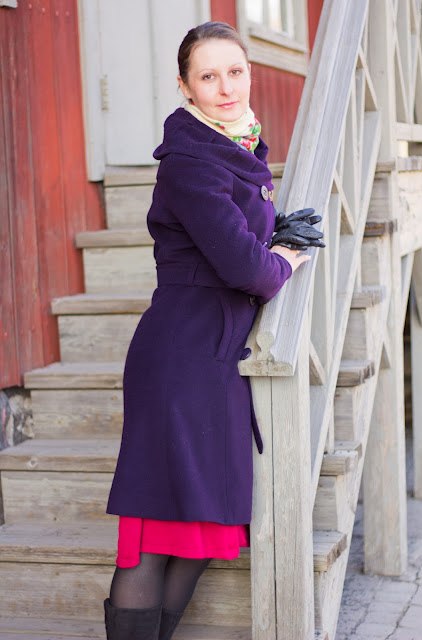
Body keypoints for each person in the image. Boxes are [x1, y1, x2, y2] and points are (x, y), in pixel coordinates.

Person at [103, 21, 323, 640]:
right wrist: (284, 257)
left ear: (249, 73)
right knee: (154, 533)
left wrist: (273, 233)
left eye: (235, 71)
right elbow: (247, 268)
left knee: (206, 528)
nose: (226, 87)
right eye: (208, 76)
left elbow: (239, 236)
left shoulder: (238, 145)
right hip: (182, 356)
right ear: (185, 86)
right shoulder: (190, 163)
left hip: (218, 355)